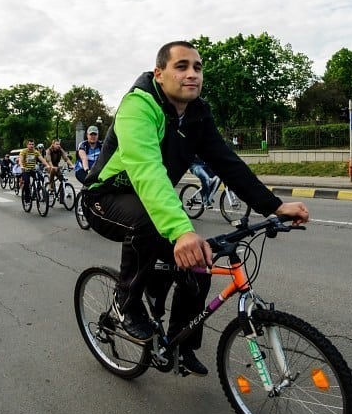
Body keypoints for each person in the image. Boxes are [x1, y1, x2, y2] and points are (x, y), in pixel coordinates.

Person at [82, 40, 309, 376]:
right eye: (182, 66)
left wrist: (273, 206)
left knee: (198, 267)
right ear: (159, 74)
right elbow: (146, 170)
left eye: (198, 68)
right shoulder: (139, 106)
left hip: (151, 203)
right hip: (107, 199)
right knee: (152, 227)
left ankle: (180, 344)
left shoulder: (197, 115)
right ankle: (125, 302)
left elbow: (227, 162)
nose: (192, 74)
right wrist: (182, 231)